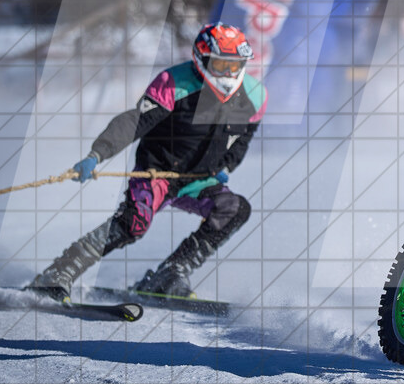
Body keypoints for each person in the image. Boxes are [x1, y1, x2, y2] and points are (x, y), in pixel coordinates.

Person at [29, 23, 266, 301]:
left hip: (199, 179)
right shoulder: (173, 83)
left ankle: (171, 273)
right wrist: (97, 154)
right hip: (157, 172)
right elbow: (134, 122)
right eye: (221, 65)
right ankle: (59, 272)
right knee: (133, 223)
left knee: (235, 209)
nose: (228, 74)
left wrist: (225, 167)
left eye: (234, 66)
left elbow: (243, 139)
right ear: (201, 59)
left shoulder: (255, 96)